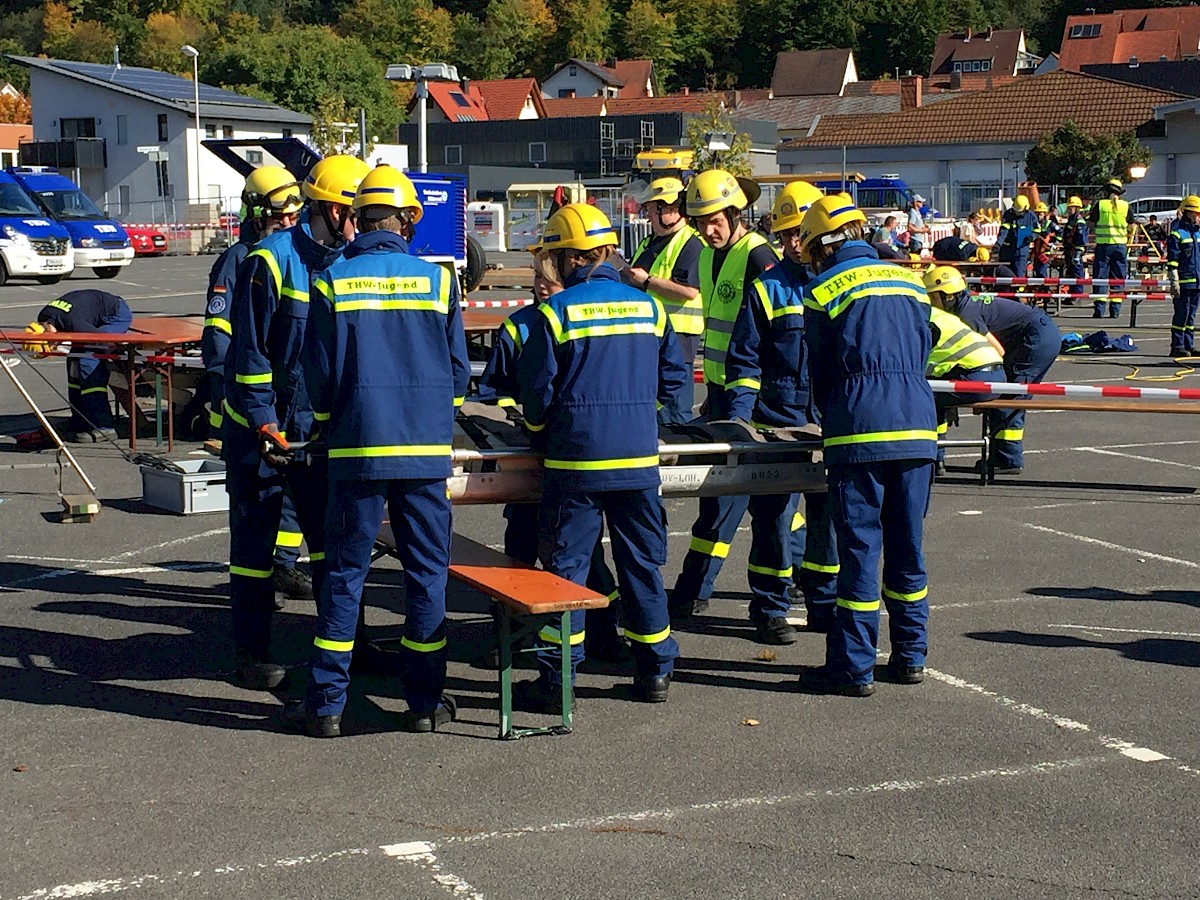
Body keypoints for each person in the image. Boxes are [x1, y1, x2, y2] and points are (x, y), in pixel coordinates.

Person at [285, 165, 469, 738]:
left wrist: (324, 427)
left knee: (343, 576)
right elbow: (459, 377)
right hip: (423, 454)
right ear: (409, 220)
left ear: (355, 220)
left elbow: (317, 377)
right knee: (426, 576)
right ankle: (422, 704)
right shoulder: (439, 282)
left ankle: (327, 707)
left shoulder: (333, 280)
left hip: (356, 451)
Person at [514, 202, 688, 710]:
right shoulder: (649, 306)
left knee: (565, 576)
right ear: (608, 251)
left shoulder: (554, 313)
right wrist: (637, 415)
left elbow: (538, 397)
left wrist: (542, 433)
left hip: (575, 465)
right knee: (641, 568)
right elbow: (674, 381)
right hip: (637, 462)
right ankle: (655, 672)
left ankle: (557, 684)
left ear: (570, 258)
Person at [222, 154, 370, 691]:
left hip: (317, 432)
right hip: (259, 433)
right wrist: (263, 426)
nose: (364, 227)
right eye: (358, 214)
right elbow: (251, 354)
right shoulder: (270, 261)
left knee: (335, 548)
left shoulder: (349, 261)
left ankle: (352, 643)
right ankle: (251, 654)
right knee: (256, 553)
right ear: (333, 210)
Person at [797, 194, 937, 696]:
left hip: (859, 430)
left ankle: (853, 669)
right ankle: (911, 656)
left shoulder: (822, 289)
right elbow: (926, 346)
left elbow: (820, 369)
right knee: (908, 548)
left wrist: (827, 416)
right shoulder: (912, 280)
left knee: (859, 550)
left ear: (824, 244)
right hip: (919, 426)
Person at [475, 248, 627, 661]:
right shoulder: (519, 327)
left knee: (582, 558)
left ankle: (604, 630)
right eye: (537, 282)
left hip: (569, 459)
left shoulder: (570, 316)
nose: (543, 288)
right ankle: (513, 634)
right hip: (528, 456)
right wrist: (514, 418)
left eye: (551, 281)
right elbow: (493, 390)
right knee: (521, 550)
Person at [724, 179, 839, 638]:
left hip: (829, 424)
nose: (793, 243)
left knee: (826, 522)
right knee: (771, 520)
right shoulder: (767, 287)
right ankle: (770, 607)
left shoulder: (838, 285)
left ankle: (823, 603)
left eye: (800, 233)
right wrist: (739, 420)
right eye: (786, 233)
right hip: (775, 424)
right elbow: (744, 361)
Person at [668, 169, 782, 624]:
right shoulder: (717, 255)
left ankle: (701, 588)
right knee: (728, 496)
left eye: (714, 220)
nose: (706, 230)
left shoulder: (759, 256)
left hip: (752, 397)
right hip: (720, 391)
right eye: (699, 222)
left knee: (749, 500)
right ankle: (775, 589)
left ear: (736, 213)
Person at [202, 165, 311, 605]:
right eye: (277, 215)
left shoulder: (295, 254)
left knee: (290, 499)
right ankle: (254, 595)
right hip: (248, 410)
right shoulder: (238, 259)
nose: (287, 223)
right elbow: (219, 336)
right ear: (254, 212)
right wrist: (241, 399)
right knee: (254, 508)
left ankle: (283, 563)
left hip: (289, 406)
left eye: (293, 215)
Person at [925, 265, 1059, 476]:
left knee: (1011, 396)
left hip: (1036, 338)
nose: (932, 304)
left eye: (933, 298)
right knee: (1006, 393)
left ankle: (1007, 459)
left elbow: (998, 349)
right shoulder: (967, 305)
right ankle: (1003, 455)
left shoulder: (966, 314)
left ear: (948, 297)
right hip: (1038, 332)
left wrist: (984, 384)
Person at [627, 177, 704, 423]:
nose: (647, 215)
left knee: (674, 413)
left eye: (651, 209)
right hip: (649, 337)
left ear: (670, 209)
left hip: (678, 341)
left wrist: (647, 280)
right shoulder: (650, 242)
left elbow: (690, 291)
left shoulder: (691, 244)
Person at [921, 267, 1005, 476]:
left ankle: (933, 459)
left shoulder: (930, 320)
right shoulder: (952, 318)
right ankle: (936, 459)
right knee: (935, 393)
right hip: (995, 376)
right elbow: (999, 351)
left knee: (922, 396)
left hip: (975, 377)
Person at [26, 289, 132, 443]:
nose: (55, 347)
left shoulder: (73, 322)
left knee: (88, 360)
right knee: (74, 362)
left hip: (115, 315)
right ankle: (80, 419)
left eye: (52, 346)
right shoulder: (45, 316)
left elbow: (98, 340)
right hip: (91, 316)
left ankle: (104, 426)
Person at [1089, 178, 1132, 319]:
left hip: (1103, 245)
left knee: (1100, 277)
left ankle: (1099, 310)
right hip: (1120, 246)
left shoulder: (1100, 205)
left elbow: (1092, 223)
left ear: (1106, 191)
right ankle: (1115, 310)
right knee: (1118, 277)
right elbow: (1131, 225)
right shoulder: (1125, 206)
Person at [1167, 196, 1200, 357]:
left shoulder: (1197, 233)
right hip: (1184, 282)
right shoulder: (1177, 233)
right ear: (1188, 213)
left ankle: (1189, 344)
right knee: (1182, 314)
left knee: (1191, 316)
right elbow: (1172, 260)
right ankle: (1177, 346)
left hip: (1197, 282)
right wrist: (1174, 281)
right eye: (1196, 213)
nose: (1198, 216)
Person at [996, 195, 1037, 277]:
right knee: (1003, 275)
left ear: (1026, 208)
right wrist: (998, 244)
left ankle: (1019, 290)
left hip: (1021, 252)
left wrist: (1032, 237)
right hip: (1007, 251)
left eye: (1019, 211)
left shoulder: (1031, 216)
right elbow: (1003, 231)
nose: (1017, 213)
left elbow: (1037, 230)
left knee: (1019, 277)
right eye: (1016, 210)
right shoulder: (1008, 215)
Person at [1061, 196, 1089, 304]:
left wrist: (1077, 253)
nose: (1068, 210)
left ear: (1077, 208)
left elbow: (1081, 239)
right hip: (1069, 250)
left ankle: (1077, 295)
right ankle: (1071, 295)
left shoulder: (1079, 222)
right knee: (1070, 273)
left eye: (1071, 208)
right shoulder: (1071, 220)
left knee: (1077, 273)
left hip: (1075, 251)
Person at [1031, 202, 1059, 280]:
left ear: (1044, 214)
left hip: (1045, 252)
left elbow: (1059, 232)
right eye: (1037, 214)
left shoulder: (1050, 224)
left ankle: (1044, 290)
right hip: (1037, 251)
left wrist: (1054, 243)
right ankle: (1039, 289)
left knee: (1042, 272)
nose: (1038, 216)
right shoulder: (1035, 224)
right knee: (1036, 270)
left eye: (1040, 214)